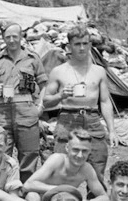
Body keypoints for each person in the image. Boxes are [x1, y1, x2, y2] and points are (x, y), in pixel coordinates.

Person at [42, 23, 117, 189]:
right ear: (69, 47)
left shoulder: (99, 71)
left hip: (92, 120)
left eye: (85, 43)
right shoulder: (59, 71)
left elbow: (105, 101)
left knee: (97, 169)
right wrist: (61, 96)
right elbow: (46, 101)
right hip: (67, 119)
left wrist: (112, 130)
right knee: (62, 170)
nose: (82, 48)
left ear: (90, 45)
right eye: (77, 44)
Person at [0, 21, 48, 183]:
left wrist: (40, 106)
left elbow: (44, 85)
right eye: (8, 37)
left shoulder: (33, 59)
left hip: (26, 115)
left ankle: (26, 193)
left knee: (28, 157)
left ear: (21, 37)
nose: (11, 40)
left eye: (15, 37)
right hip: (1, 115)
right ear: (3, 38)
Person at [22, 128, 105, 201]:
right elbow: (28, 185)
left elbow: (103, 196)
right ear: (67, 148)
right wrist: (62, 190)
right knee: (32, 196)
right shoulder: (57, 160)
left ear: (90, 151)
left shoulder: (87, 169)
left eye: (84, 151)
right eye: (76, 150)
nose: (80, 155)